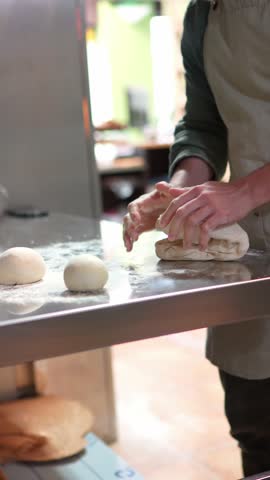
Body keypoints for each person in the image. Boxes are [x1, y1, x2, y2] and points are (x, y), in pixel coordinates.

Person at [123, 0, 270, 477]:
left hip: (246, 205)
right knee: (257, 428)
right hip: (251, 253)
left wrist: (246, 190)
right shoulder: (204, 13)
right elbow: (205, 124)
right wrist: (180, 193)